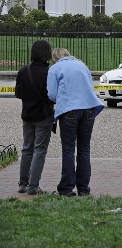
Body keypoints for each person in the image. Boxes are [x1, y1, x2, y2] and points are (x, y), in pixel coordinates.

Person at [47, 48, 104, 197]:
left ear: (54, 58)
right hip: (89, 108)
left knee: (68, 149)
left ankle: (66, 188)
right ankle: (83, 188)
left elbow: (52, 94)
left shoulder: (55, 68)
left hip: (69, 109)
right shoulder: (82, 65)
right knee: (84, 148)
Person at [15, 40, 54, 195]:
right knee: (40, 149)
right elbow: (51, 96)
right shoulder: (48, 72)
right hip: (43, 115)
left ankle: (23, 183)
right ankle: (33, 185)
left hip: (27, 114)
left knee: (27, 148)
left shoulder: (24, 71)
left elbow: (18, 93)